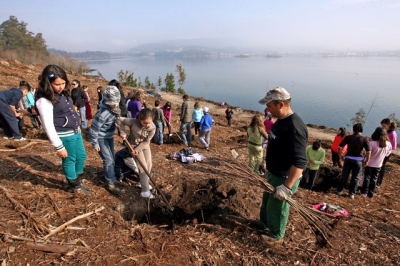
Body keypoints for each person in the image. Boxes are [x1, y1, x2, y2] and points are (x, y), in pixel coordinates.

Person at [255, 87, 308, 244]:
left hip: (284, 177)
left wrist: (286, 187)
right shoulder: (280, 121)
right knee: (267, 202)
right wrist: (266, 163)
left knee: (277, 207)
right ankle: (264, 224)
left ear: (280, 104)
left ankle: (276, 235)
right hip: (273, 172)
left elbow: (300, 162)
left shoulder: (295, 128)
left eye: (269, 105)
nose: (266, 109)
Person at [35, 65, 91, 195]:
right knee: (69, 159)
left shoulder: (64, 93)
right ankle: (74, 184)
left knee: (81, 156)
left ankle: (78, 179)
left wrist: (77, 126)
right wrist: (59, 146)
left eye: (63, 83)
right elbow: (47, 125)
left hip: (75, 132)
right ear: (48, 83)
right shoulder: (44, 100)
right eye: (57, 84)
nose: (61, 86)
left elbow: (70, 111)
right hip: (64, 135)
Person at [89, 85, 123, 196]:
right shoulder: (102, 114)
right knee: (108, 159)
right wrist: (95, 142)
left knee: (112, 158)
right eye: (113, 103)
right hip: (101, 138)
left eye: (117, 102)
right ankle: (110, 183)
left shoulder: (115, 110)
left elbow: (116, 119)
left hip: (109, 137)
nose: (116, 105)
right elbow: (94, 129)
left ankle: (113, 179)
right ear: (108, 102)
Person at [118, 108, 156, 199]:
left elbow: (147, 142)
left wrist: (139, 149)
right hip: (133, 145)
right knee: (143, 167)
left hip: (144, 145)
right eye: (145, 123)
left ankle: (142, 182)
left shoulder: (153, 127)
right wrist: (123, 132)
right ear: (139, 119)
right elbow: (119, 119)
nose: (147, 125)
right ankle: (145, 191)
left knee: (149, 165)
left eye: (149, 123)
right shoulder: (133, 122)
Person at [336, 123, 370, 199]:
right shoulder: (364, 139)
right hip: (358, 161)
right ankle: (351, 194)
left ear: (353, 129)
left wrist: (340, 155)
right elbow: (368, 151)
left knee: (344, 175)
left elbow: (340, 146)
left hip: (348, 159)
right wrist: (367, 160)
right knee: (355, 177)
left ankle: (339, 190)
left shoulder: (348, 137)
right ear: (361, 130)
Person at [360, 127, 392, 198]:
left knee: (366, 178)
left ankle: (364, 192)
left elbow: (366, 153)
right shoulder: (388, 144)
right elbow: (387, 154)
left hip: (369, 163)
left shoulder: (371, 143)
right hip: (378, 164)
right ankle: (371, 193)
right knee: (374, 178)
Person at [377, 118, 397, 187]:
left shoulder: (392, 134)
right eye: (382, 126)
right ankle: (376, 179)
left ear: (389, 125)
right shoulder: (386, 132)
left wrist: (386, 149)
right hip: (382, 150)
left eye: (384, 126)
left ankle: (379, 182)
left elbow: (393, 146)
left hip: (387, 153)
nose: (383, 128)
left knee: (382, 166)